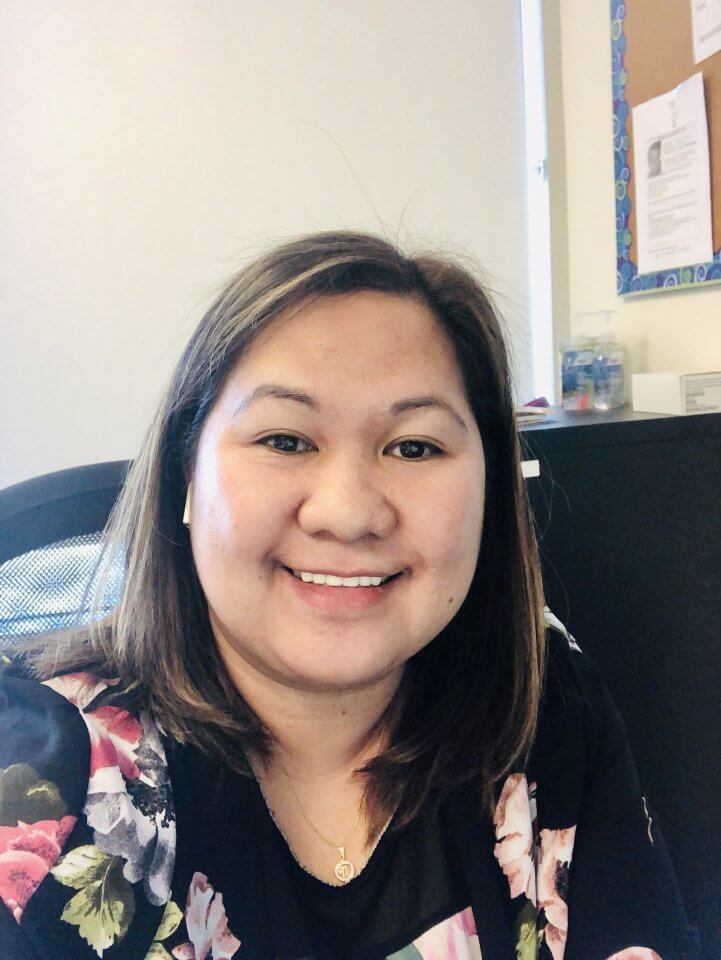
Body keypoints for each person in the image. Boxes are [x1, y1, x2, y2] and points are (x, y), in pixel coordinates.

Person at [0, 231, 699, 960]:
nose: (347, 512)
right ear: (185, 473)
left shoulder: (541, 689)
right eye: (284, 440)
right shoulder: (41, 773)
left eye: (414, 447)